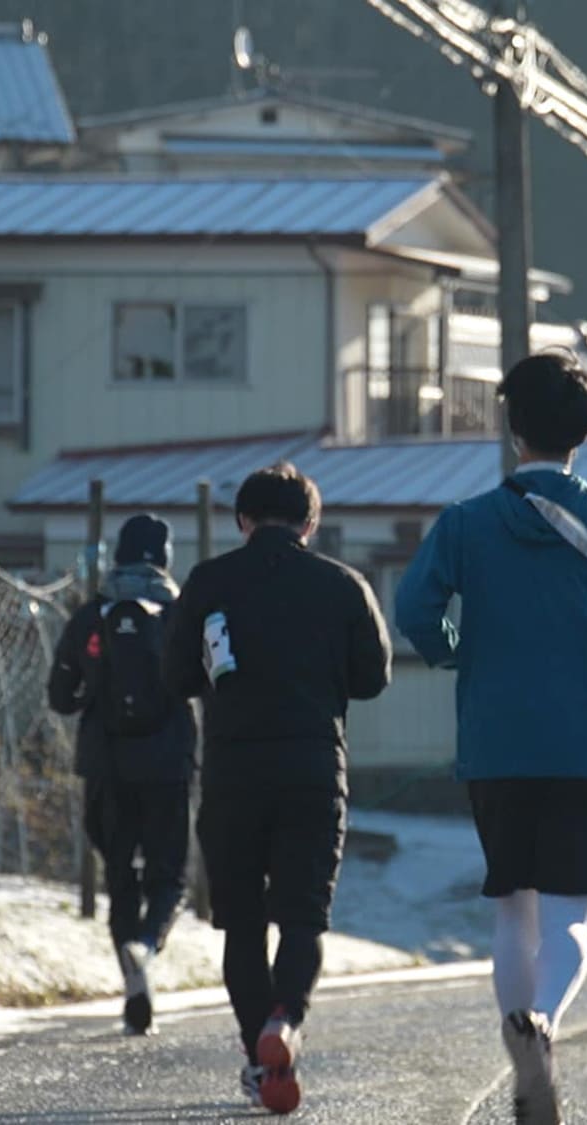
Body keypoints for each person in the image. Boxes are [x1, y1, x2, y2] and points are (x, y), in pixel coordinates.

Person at [394, 351, 587, 1125]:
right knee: (570, 913)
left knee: (510, 907)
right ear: (584, 432)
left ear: (512, 425)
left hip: (497, 738)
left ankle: (518, 1039)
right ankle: (546, 1021)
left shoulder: (465, 523)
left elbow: (416, 612)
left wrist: (461, 645)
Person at [164, 463, 391, 1116]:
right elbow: (372, 677)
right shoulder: (342, 584)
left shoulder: (209, 581)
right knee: (301, 915)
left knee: (241, 923)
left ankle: (256, 1056)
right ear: (309, 523)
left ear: (243, 520)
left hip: (234, 770)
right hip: (314, 767)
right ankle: (285, 1021)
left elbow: (174, 676)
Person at [46, 513, 197, 1036]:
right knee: (169, 876)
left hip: (106, 762)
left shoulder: (91, 615)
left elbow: (60, 698)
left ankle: (133, 991)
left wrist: (94, 688)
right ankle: (148, 945)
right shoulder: (179, 614)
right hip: (167, 762)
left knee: (119, 878)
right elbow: (205, 682)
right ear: (165, 559)